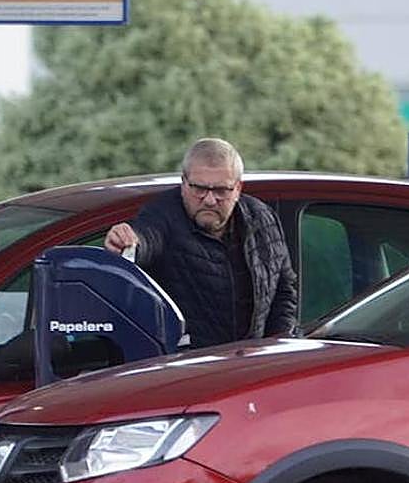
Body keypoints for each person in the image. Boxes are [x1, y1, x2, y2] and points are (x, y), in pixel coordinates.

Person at [104, 137, 298, 348]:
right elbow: (146, 237)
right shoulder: (163, 215)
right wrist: (127, 242)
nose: (209, 200)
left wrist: (278, 344)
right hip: (192, 363)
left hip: (255, 361)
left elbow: (284, 289)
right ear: (183, 184)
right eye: (199, 188)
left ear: (238, 188)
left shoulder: (262, 219)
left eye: (221, 191)